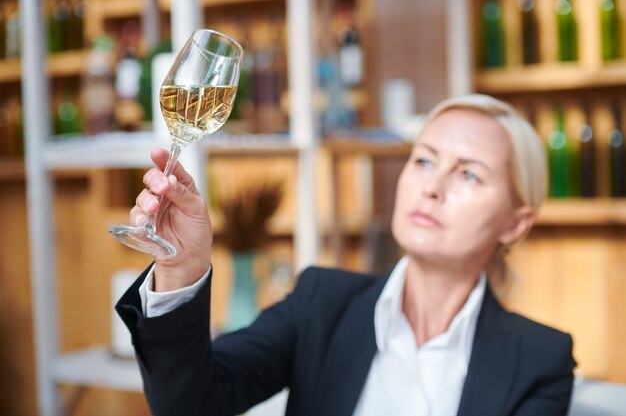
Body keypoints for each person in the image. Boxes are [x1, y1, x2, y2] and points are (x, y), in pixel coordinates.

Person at [117, 94, 576, 416]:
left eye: (470, 175)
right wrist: (182, 268)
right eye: (424, 160)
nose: (432, 187)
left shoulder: (540, 361)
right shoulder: (321, 302)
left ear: (516, 222)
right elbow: (191, 405)